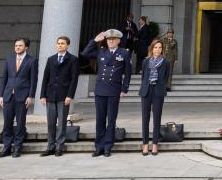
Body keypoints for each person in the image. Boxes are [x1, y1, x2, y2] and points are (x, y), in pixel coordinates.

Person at [81, 29, 132, 157]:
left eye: (113, 39)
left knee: (111, 119)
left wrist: (124, 89)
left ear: (118, 41)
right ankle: (99, 146)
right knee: (100, 119)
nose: (111, 41)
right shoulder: (101, 51)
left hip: (114, 89)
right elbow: (85, 53)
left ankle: (108, 146)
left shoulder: (124, 53)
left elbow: (128, 73)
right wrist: (94, 41)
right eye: (109, 39)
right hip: (101, 89)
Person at [0, 38, 38, 158]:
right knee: (7, 123)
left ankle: (17, 147)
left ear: (26, 47)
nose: (17, 47)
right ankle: (6, 147)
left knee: (20, 123)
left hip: (23, 96)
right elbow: (4, 79)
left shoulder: (32, 61)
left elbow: (33, 80)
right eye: (16, 45)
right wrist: (1, 95)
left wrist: (31, 96)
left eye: (20, 45)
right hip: (8, 96)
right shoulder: (9, 60)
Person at [39, 36, 79, 157]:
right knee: (50, 122)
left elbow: (74, 79)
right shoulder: (51, 59)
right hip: (50, 94)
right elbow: (45, 77)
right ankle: (50, 146)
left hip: (64, 95)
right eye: (58, 43)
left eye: (62, 43)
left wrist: (70, 95)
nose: (60, 45)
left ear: (67, 45)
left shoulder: (72, 59)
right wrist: (42, 95)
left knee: (61, 122)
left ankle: (59, 147)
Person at [139, 39, 169, 156]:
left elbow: (166, 78)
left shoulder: (165, 62)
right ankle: (145, 144)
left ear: (162, 49)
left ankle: (155, 144)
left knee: (157, 119)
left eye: (160, 48)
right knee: (145, 119)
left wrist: (159, 86)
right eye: (155, 47)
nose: (158, 50)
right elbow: (143, 78)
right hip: (146, 91)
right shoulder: (146, 61)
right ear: (152, 49)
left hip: (158, 92)